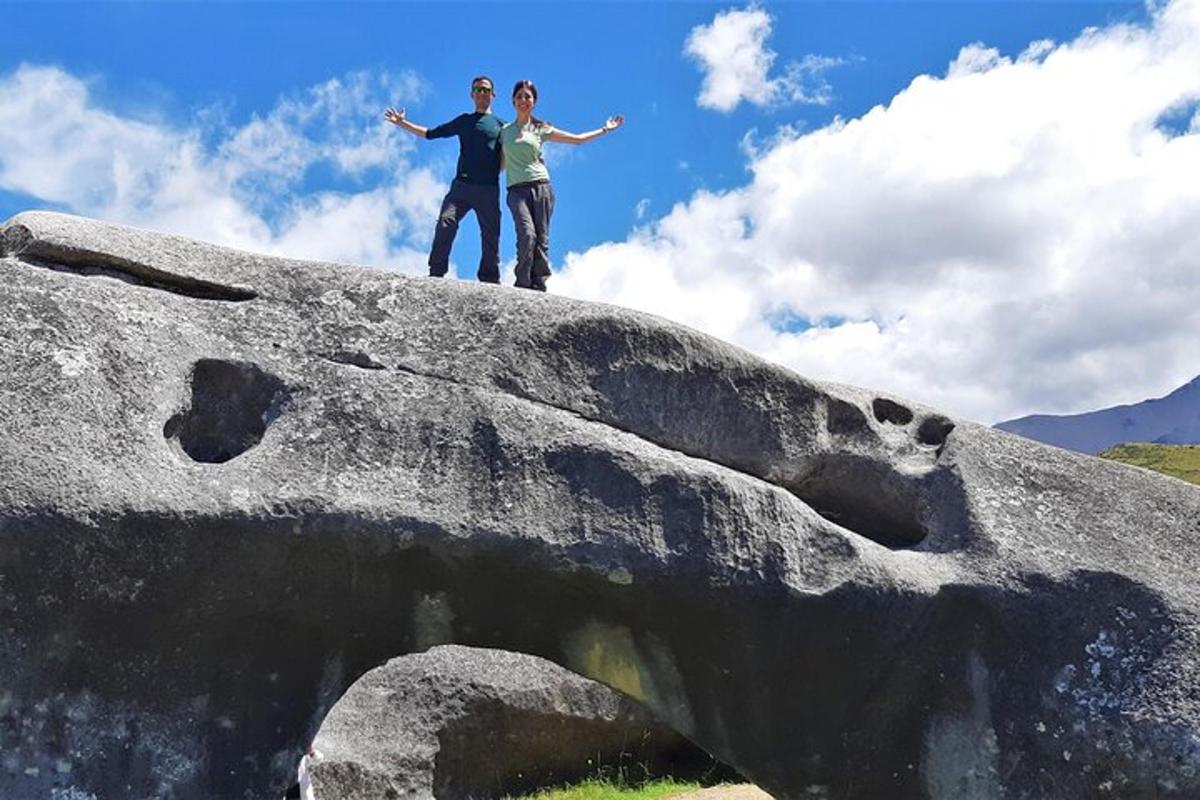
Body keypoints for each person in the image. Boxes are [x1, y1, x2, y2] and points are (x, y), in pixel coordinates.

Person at [500, 79, 623, 291]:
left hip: (541, 188)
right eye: (519, 96)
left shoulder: (540, 129)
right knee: (527, 235)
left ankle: (538, 284)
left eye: (527, 96)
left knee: (541, 240)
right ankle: (522, 283)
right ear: (513, 100)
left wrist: (605, 129)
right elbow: (500, 164)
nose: (523, 100)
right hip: (516, 191)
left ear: (534, 102)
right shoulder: (504, 131)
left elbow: (577, 139)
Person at [384, 76, 505, 283]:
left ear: (493, 95)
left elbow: (511, 153)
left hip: (488, 188)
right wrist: (402, 123)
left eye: (486, 90)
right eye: (478, 89)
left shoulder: (501, 125)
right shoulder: (464, 121)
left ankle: (489, 279)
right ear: (472, 95)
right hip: (461, 187)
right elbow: (431, 133)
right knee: (445, 223)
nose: (482, 93)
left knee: (491, 234)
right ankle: (436, 273)